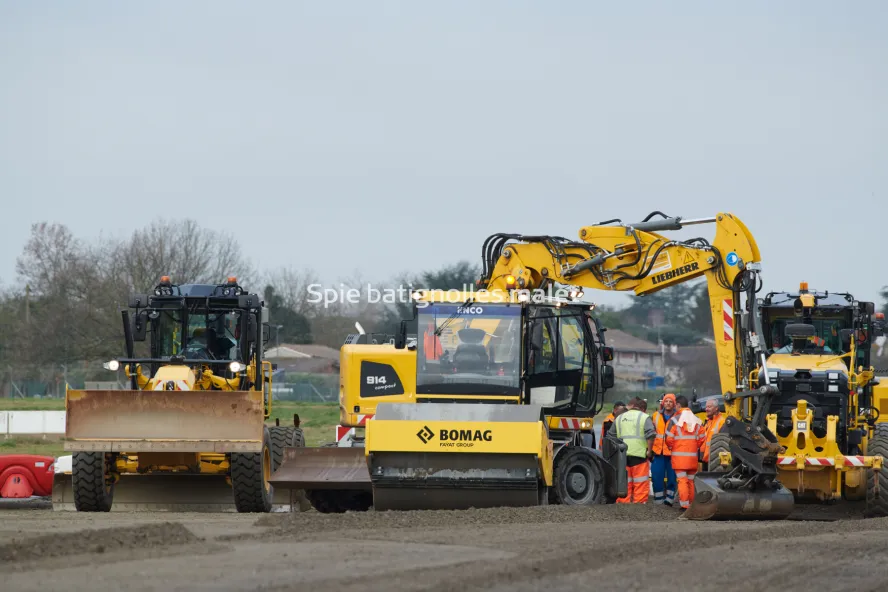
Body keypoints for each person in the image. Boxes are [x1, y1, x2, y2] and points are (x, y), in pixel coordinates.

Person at [613, 397, 656, 504]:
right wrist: (649, 451)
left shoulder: (619, 418)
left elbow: (610, 436)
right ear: (642, 408)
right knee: (640, 484)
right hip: (639, 456)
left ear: (631, 405)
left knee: (624, 483)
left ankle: (623, 507)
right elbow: (651, 435)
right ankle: (638, 508)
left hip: (622, 456)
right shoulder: (645, 417)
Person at [666, 395, 704, 511]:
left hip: (679, 458)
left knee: (682, 480)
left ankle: (684, 505)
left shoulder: (674, 420)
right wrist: (693, 447)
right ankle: (692, 504)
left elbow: (668, 439)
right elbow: (702, 438)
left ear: (678, 405)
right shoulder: (697, 420)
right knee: (690, 481)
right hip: (692, 457)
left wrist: (673, 447)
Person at [650, 393, 678, 506]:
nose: (668, 403)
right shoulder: (655, 415)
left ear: (674, 404)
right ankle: (658, 500)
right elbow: (651, 433)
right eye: (666, 401)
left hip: (672, 453)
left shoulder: (677, 417)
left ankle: (670, 499)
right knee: (657, 477)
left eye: (670, 402)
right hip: (658, 452)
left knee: (672, 478)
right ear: (663, 403)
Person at [699, 399, 726, 467]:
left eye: (709, 407)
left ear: (716, 408)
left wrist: (724, 464)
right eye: (706, 407)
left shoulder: (722, 422)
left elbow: (724, 444)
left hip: (716, 463)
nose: (706, 409)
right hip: (705, 461)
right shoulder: (707, 422)